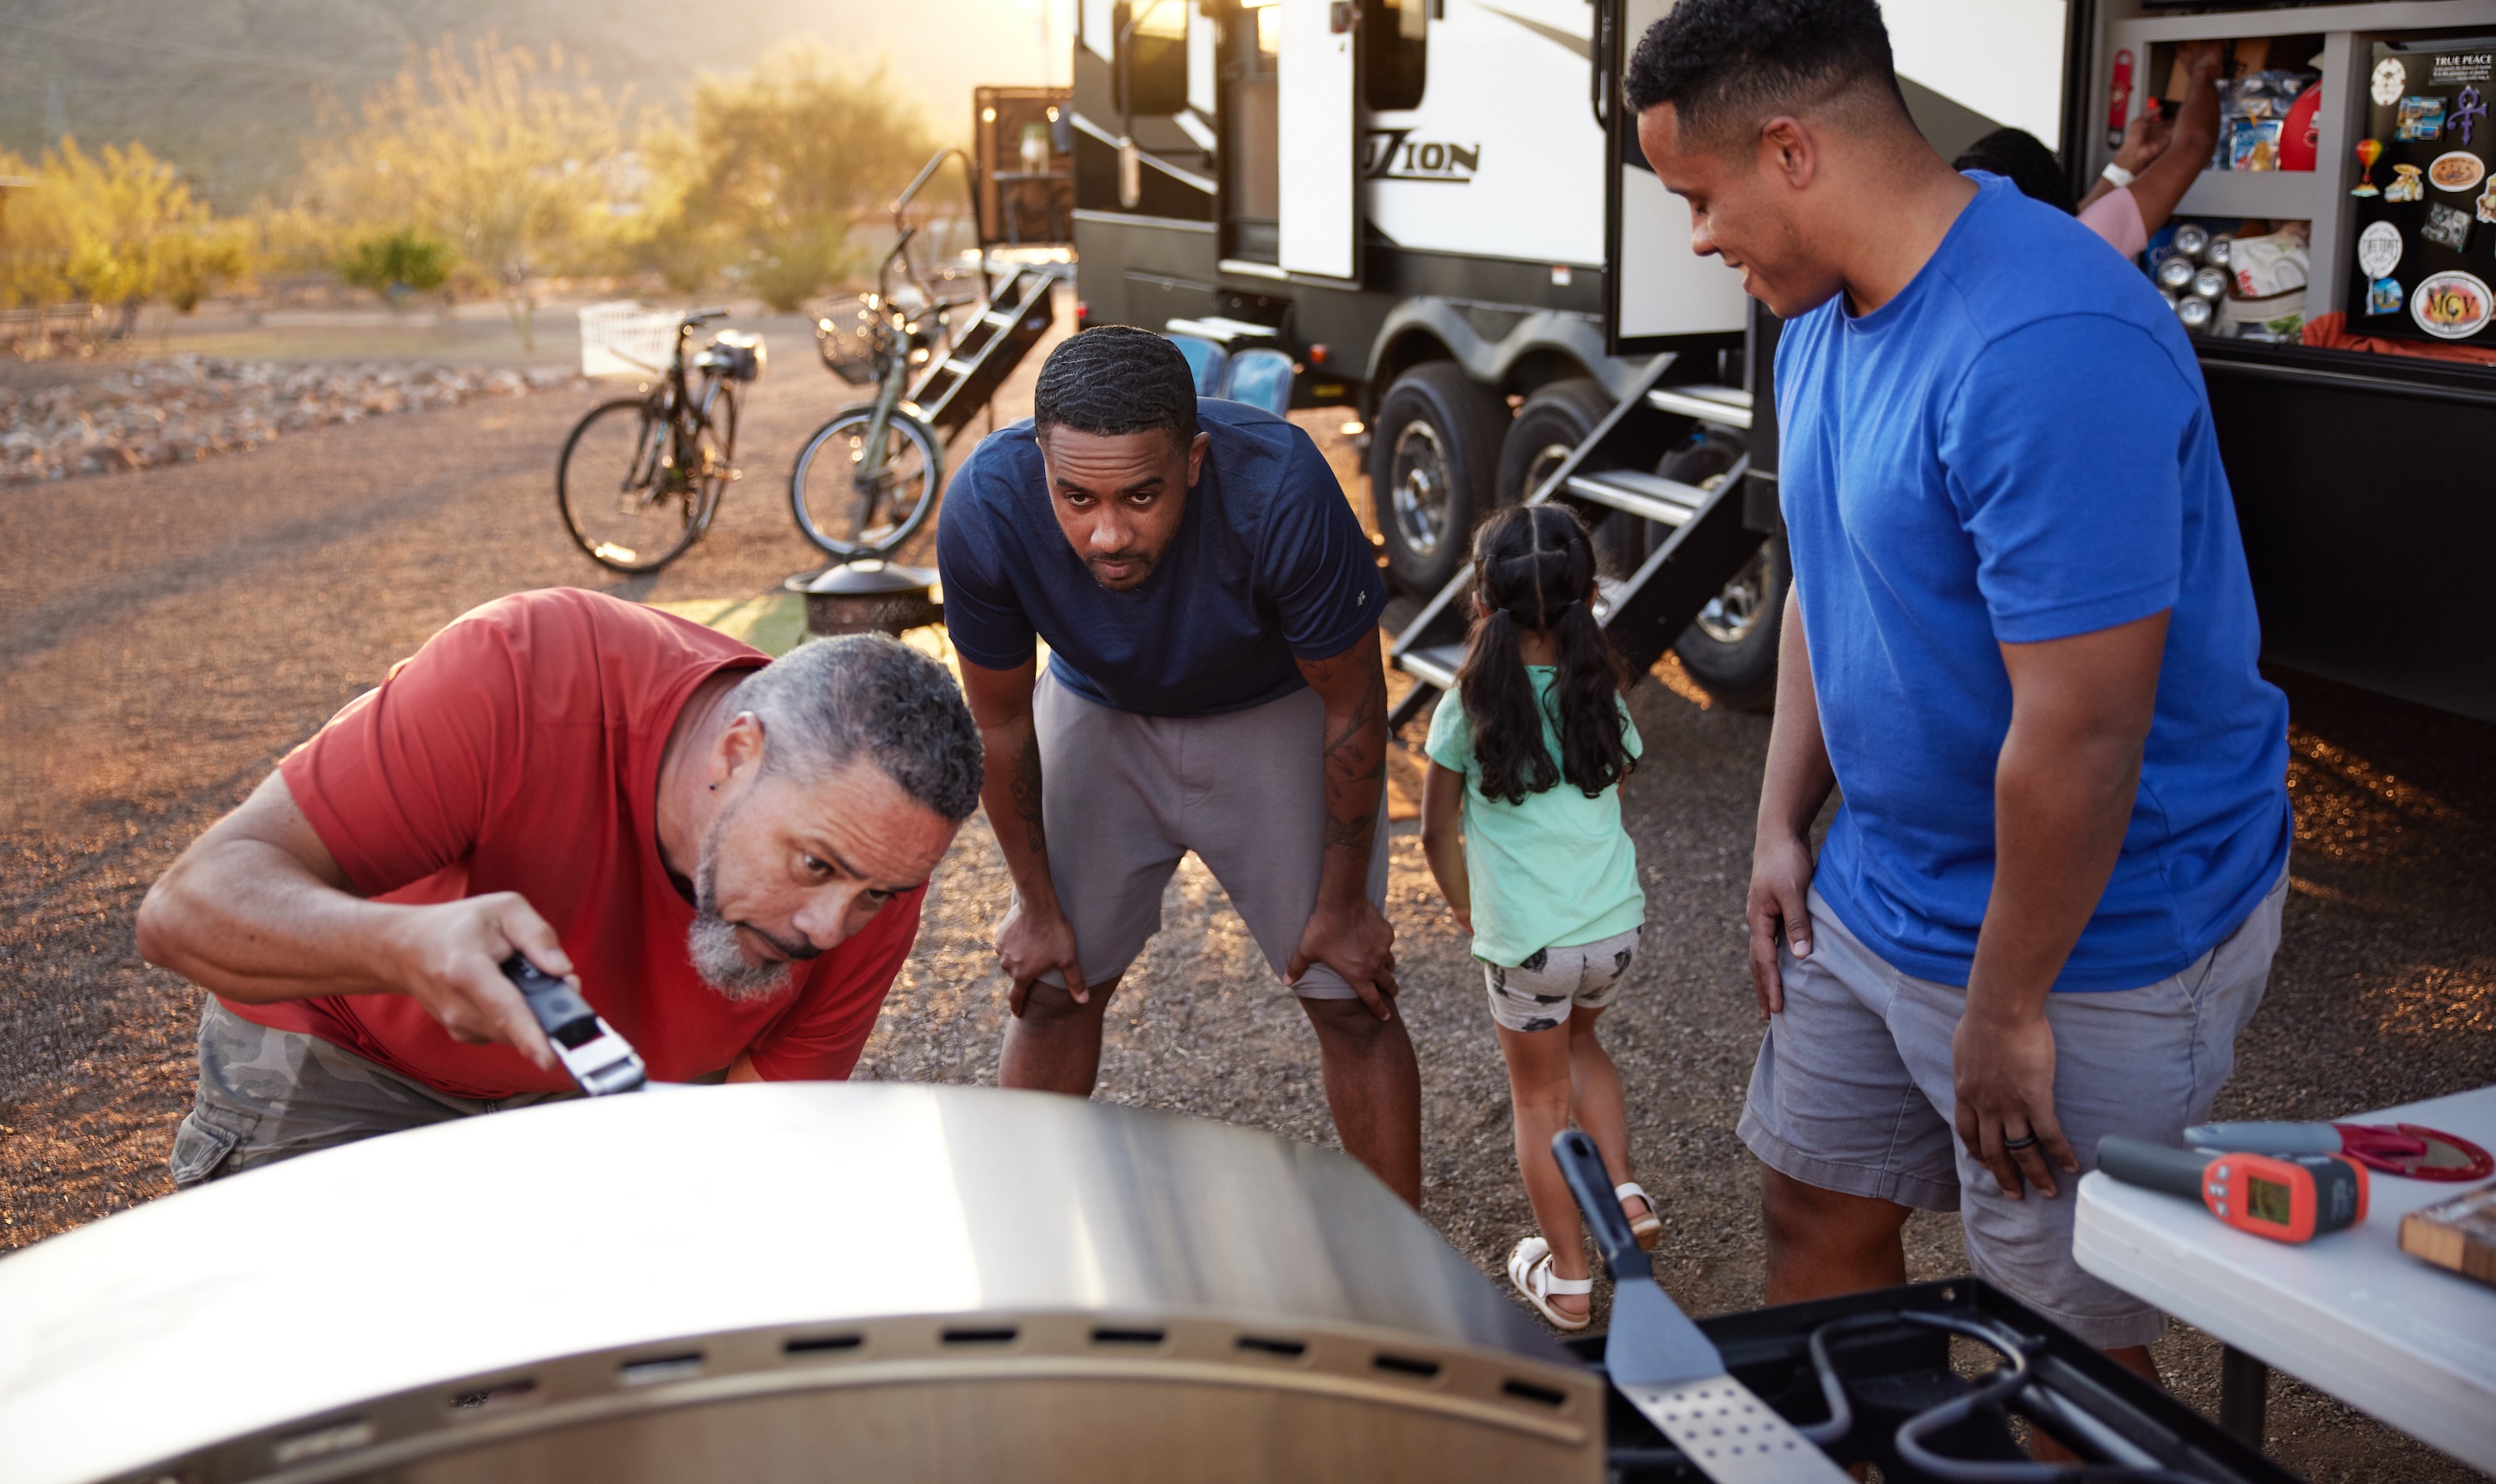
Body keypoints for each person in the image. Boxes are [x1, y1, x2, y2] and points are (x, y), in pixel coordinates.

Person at [1624, 0, 2291, 1375]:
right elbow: (1827, 576)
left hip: (2092, 943)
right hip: (1883, 897)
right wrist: (1778, 821)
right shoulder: (1819, 318)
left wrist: (2004, 1008)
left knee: (2060, 1340)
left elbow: (2087, 733)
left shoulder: (2045, 342)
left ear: (1790, 149)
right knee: (1812, 1209)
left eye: (1698, 197)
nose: (1695, 238)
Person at [136, 589, 983, 1182]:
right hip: (354, 1055)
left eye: (878, 894)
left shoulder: (879, 862)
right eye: (815, 866)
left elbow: (741, 1151)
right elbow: (185, 908)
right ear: (736, 752)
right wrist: (401, 949)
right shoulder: (524, 673)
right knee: (311, 1395)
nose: (831, 929)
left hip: (618, 1108)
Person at [936, 325, 1421, 1203]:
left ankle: (1405, 1277)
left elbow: (1353, 702)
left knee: (1350, 995)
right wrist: (1037, 909)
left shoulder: (1281, 486)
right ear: (1040, 462)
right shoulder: (988, 503)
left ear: (1195, 459)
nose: (1108, 534)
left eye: (1142, 495)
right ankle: (1029, 1253)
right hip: (1096, 708)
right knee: (1050, 987)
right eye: (1076, 496)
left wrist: (1344, 906)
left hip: (1268, 707)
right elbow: (1000, 721)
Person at [1418, 505, 1655, 1330]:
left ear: (1481, 602)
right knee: (1585, 1044)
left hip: (1531, 946)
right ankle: (1623, 1194)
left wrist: (1459, 901)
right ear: (1591, 597)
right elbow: (1615, 787)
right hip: (1614, 929)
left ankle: (1568, 1278)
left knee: (1539, 1105)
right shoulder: (1602, 694)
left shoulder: (1468, 708)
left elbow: (1432, 827)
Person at [1954, 42, 2225, 260]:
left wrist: (2129, 160)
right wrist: (2205, 69)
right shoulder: (2075, 249)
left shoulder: (1976, 256)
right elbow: (2195, 143)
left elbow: (2076, 220)